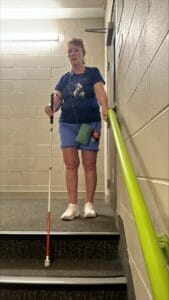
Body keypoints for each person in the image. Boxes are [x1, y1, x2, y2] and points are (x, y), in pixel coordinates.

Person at [45, 38, 108, 221]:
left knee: (89, 163)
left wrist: (105, 108)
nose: (73, 54)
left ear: (83, 52)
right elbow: (56, 100)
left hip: (89, 124)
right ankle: (73, 206)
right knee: (71, 164)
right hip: (67, 125)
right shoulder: (65, 78)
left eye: (76, 50)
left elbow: (100, 93)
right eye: (70, 51)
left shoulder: (93, 73)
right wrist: (51, 106)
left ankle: (89, 204)